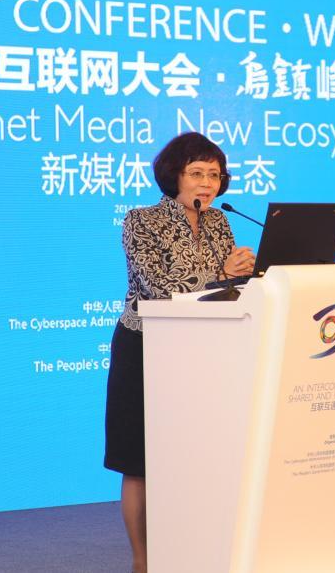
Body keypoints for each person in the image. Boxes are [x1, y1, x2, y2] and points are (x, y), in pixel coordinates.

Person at [104, 132, 256, 573]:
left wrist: (247, 274)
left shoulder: (219, 222)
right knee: (140, 462)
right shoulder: (141, 220)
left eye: (215, 174)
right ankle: (143, 561)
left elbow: (226, 290)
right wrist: (222, 271)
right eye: (197, 173)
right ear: (175, 176)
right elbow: (160, 287)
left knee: (196, 457)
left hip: (204, 350)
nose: (207, 182)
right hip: (146, 348)